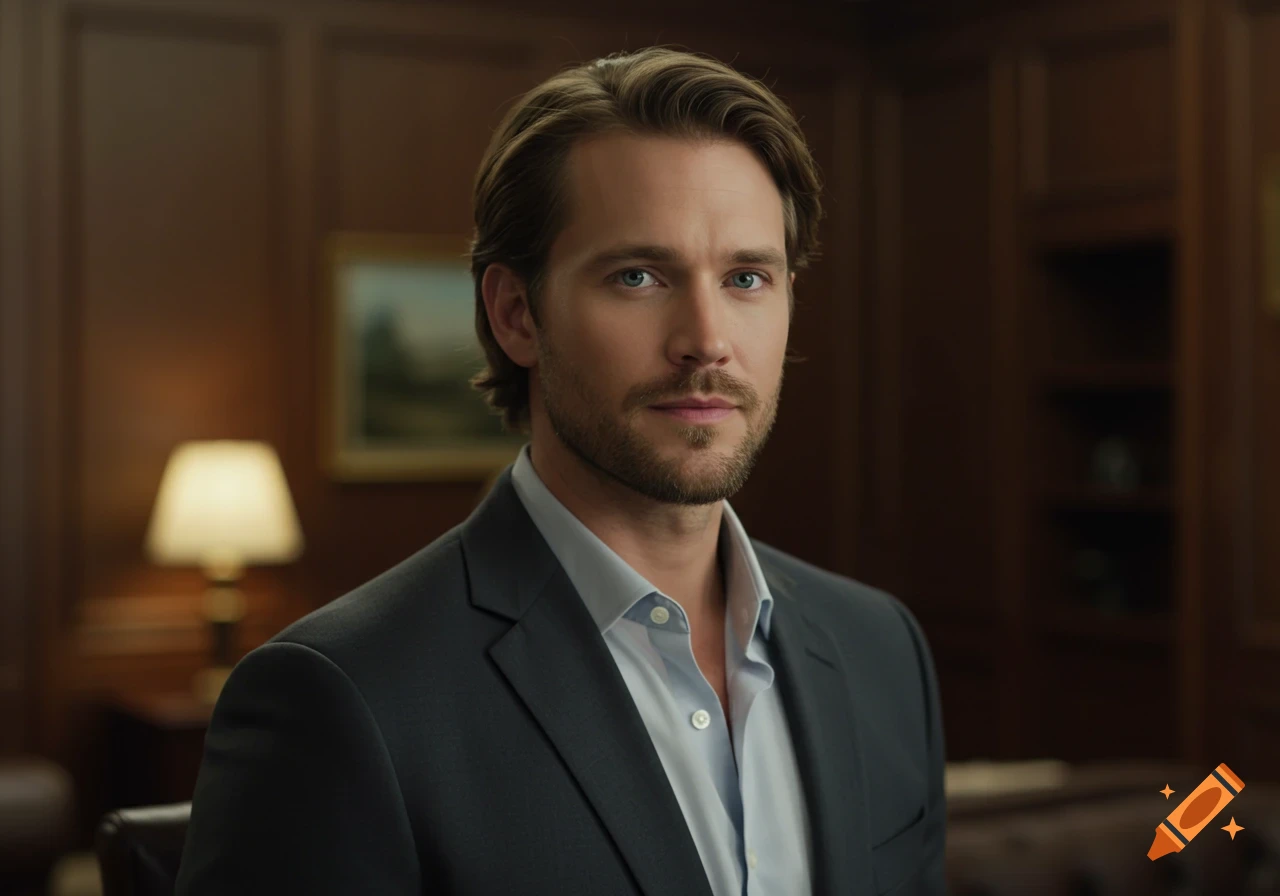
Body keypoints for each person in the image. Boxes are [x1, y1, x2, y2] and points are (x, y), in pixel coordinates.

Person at [175, 45, 946, 896]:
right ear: (516, 315)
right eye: (639, 275)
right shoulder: (338, 699)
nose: (707, 337)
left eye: (746, 277)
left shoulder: (881, 650)